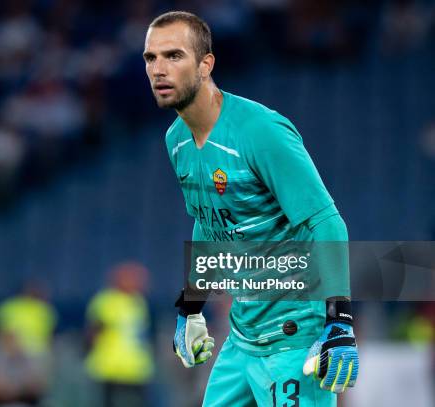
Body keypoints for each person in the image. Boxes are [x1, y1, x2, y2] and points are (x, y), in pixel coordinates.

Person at [142, 11, 359, 406]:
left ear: (206, 64)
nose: (159, 69)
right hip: (243, 337)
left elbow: (326, 222)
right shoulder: (176, 140)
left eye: (174, 56)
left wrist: (339, 321)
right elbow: (209, 223)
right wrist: (190, 308)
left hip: (295, 338)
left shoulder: (261, 131)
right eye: (150, 58)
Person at [84, 261, 153, 407]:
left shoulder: (138, 301)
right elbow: (93, 332)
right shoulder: (106, 300)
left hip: (135, 368)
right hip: (109, 368)